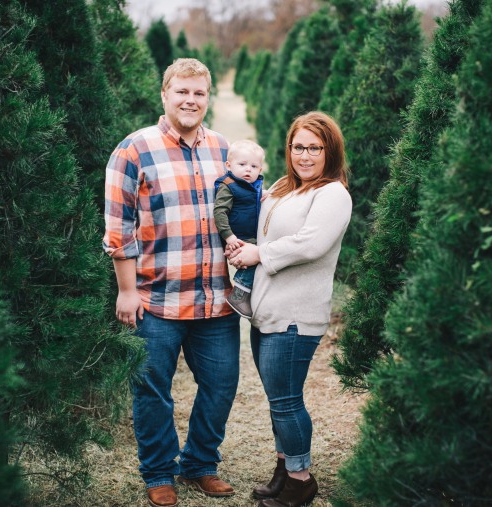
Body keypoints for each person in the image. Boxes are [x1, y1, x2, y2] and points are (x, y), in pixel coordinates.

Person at [103, 58, 240, 507]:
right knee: (152, 390)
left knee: (220, 385)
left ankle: (200, 463)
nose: (190, 100)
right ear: (165, 94)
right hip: (155, 299)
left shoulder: (222, 149)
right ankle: (159, 472)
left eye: (199, 93)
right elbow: (118, 227)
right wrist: (127, 290)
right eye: (182, 91)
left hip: (214, 299)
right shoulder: (134, 149)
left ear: (208, 97)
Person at [227, 111, 352, 507]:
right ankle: (284, 469)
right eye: (299, 146)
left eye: (315, 148)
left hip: (296, 316)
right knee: (277, 398)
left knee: (287, 400)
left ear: (329, 152)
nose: (305, 155)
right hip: (267, 312)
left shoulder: (332, 194)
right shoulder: (283, 186)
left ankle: (301, 479)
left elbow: (309, 244)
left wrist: (258, 254)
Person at [214, 139, 265, 318]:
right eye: (242, 164)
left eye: (254, 166)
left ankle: (248, 292)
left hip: (251, 233)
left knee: (262, 256)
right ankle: (240, 293)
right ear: (229, 165)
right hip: (238, 235)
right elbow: (219, 212)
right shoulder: (228, 185)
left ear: (260, 169)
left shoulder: (255, 186)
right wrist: (229, 237)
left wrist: (265, 196)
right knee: (257, 258)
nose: (248, 169)